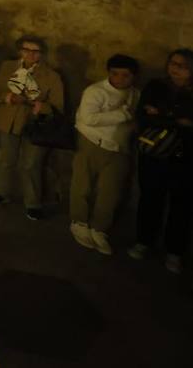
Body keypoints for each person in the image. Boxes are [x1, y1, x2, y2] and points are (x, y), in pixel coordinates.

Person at [129, 48, 193, 272]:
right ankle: (144, 241)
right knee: (150, 199)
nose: (175, 69)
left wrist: (162, 115)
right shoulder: (156, 86)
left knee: (181, 206)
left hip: (186, 158)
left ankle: (174, 251)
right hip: (154, 155)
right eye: (173, 63)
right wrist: (178, 121)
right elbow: (144, 117)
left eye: (182, 66)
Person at [0, 36, 65, 219]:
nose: (30, 54)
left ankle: (33, 202)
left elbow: (58, 106)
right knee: (6, 159)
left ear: (41, 54)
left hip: (34, 125)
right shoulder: (8, 67)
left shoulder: (51, 76)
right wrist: (8, 97)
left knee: (31, 164)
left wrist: (35, 104)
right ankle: (1, 192)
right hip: (9, 121)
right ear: (20, 51)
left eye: (35, 51)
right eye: (26, 50)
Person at [70, 53, 140, 254]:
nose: (120, 79)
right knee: (83, 183)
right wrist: (123, 114)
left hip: (119, 147)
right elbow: (88, 118)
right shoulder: (96, 91)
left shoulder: (136, 94)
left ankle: (100, 228)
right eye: (115, 74)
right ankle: (79, 222)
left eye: (125, 75)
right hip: (92, 141)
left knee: (111, 191)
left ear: (133, 76)